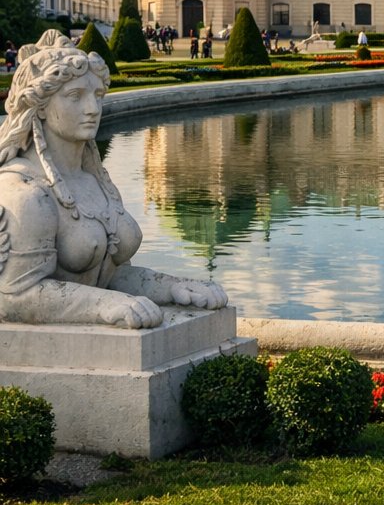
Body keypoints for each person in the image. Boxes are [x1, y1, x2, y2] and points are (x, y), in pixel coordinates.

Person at [0, 32, 228, 327]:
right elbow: (15, 296)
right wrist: (104, 305)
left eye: (97, 95)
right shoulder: (24, 194)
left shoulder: (94, 181)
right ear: (40, 106)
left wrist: (171, 287)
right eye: (75, 96)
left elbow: (109, 275)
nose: (93, 109)